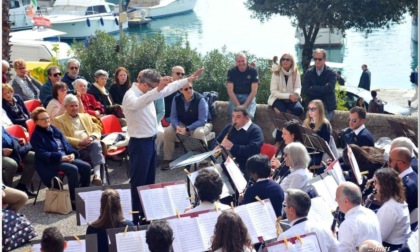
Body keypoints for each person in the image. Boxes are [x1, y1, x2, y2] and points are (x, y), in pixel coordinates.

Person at [121, 68, 204, 225]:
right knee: (138, 182)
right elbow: (140, 103)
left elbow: (168, 90)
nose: (155, 92)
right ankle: (135, 217)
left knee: (149, 181)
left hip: (150, 141)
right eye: (153, 88)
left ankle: (146, 215)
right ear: (144, 85)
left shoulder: (148, 91)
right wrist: (157, 89)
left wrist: (188, 79)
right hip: (139, 143)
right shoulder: (130, 96)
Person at [30, 107, 91, 203]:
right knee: (73, 169)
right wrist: (60, 157)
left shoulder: (54, 130)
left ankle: (82, 192)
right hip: (51, 162)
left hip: (66, 156)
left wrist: (72, 153)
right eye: (43, 119)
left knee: (86, 167)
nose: (47, 120)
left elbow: (66, 144)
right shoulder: (36, 136)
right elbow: (42, 153)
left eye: (47, 117)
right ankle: (74, 199)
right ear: (36, 122)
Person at [54, 94, 105, 186]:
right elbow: (62, 137)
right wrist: (79, 142)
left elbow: (97, 129)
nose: (74, 108)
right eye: (71, 106)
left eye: (76, 105)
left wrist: (91, 137)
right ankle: (100, 183)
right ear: (65, 107)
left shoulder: (85, 116)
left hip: (91, 144)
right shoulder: (58, 120)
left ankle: (97, 177)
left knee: (96, 144)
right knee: (99, 154)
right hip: (75, 149)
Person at [163, 82, 212, 166]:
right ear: (181, 91)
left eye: (191, 88)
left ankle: (203, 161)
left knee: (198, 133)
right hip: (183, 124)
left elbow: (202, 120)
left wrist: (187, 129)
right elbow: (173, 116)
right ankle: (167, 160)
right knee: (168, 131)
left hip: (202, 124)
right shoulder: (176, 99)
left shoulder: (200, 99)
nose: (189, 90)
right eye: (186, 89)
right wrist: (177, 126)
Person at [215, 106, 264, 179]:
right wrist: (217, 146)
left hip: (245, 168)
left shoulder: (255, 130)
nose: (234, 120)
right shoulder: (230, 127)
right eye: (233, 116)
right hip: (227, 164)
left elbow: (253, 149)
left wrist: (233, 146)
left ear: (246, 118)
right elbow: (217, 140)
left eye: (238, 117)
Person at [335, 181, 382, 252]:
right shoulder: (370, 213)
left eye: (337, 197)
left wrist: (334, 240)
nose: (335, 200)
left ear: (346, 201)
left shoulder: (347, 225)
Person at [373, 168, 410, 250]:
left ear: (384, 186)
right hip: (398, 242)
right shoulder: (398, 199)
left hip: (390, 247)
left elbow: (378, 237)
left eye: (376, 182)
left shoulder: (389, 208)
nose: (374, 185)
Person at [302, 48, 337, 121]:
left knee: (322, 127)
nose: (317, 61)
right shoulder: (309, 73)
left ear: (324, 59)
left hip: (327, 105)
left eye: (319, 59)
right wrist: (323, 88)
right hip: (312, 105)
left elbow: (330, 88)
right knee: (308, 128)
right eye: (315, 59)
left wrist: (313, 88)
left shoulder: (331, 73)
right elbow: (306, 89)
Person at [388, 147, 418, 230]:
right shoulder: (413, 176)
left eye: (390, 160)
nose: (388, 164)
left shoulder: (406, 185)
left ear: (400, 163)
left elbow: (394, 213)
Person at [2, 126, 36, 196]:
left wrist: (18, 139)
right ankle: (7, 190)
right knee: (11, 164)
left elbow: (8, 135)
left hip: (12, 150)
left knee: (34, 157)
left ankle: (22, 186)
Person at [226, 52, 259, 118]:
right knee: (235, 116)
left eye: (243, 61)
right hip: (235, 96)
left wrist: (244, 106)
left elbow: (254, 91)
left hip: (249, 96)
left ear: (246, 60)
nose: (241, 63)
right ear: (236, 62)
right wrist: (239, 106)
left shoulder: (253, 71)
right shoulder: (231, 71)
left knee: (249, 116)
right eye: (238, 61)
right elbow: (230, 91)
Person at [303, 99, 332, 172]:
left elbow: (325, 145)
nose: (310, 111)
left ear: (319, 110)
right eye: (309, 109)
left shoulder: (324, 124)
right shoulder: (307, 122)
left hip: (317, 154)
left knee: (303, 163)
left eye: (313, 109)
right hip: (307, 152)